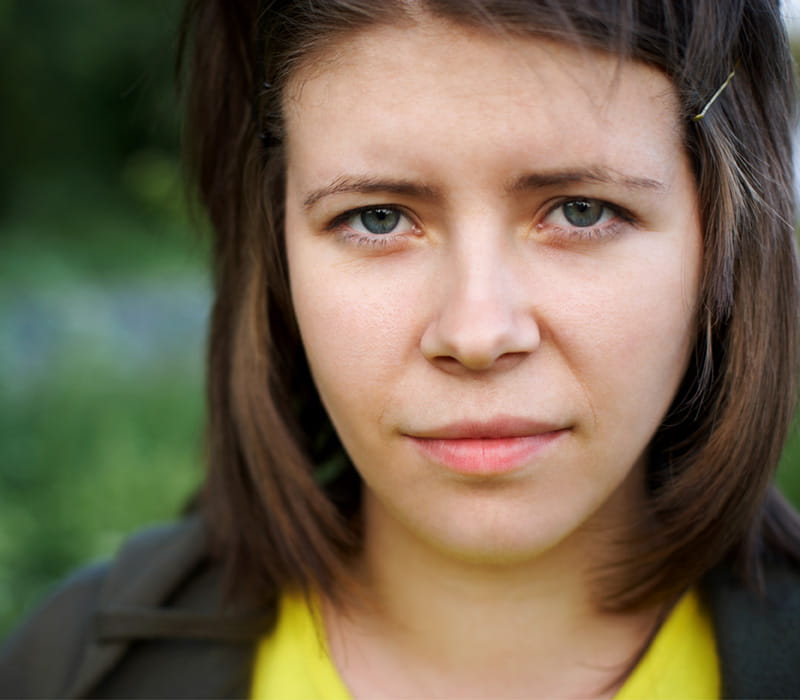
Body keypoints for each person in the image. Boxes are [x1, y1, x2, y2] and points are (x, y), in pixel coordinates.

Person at [3, 0, 800, 697]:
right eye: (378, 217)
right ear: (275, 257)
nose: (477, 333)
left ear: (721, 240)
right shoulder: (66, 669)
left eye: (582, 210)